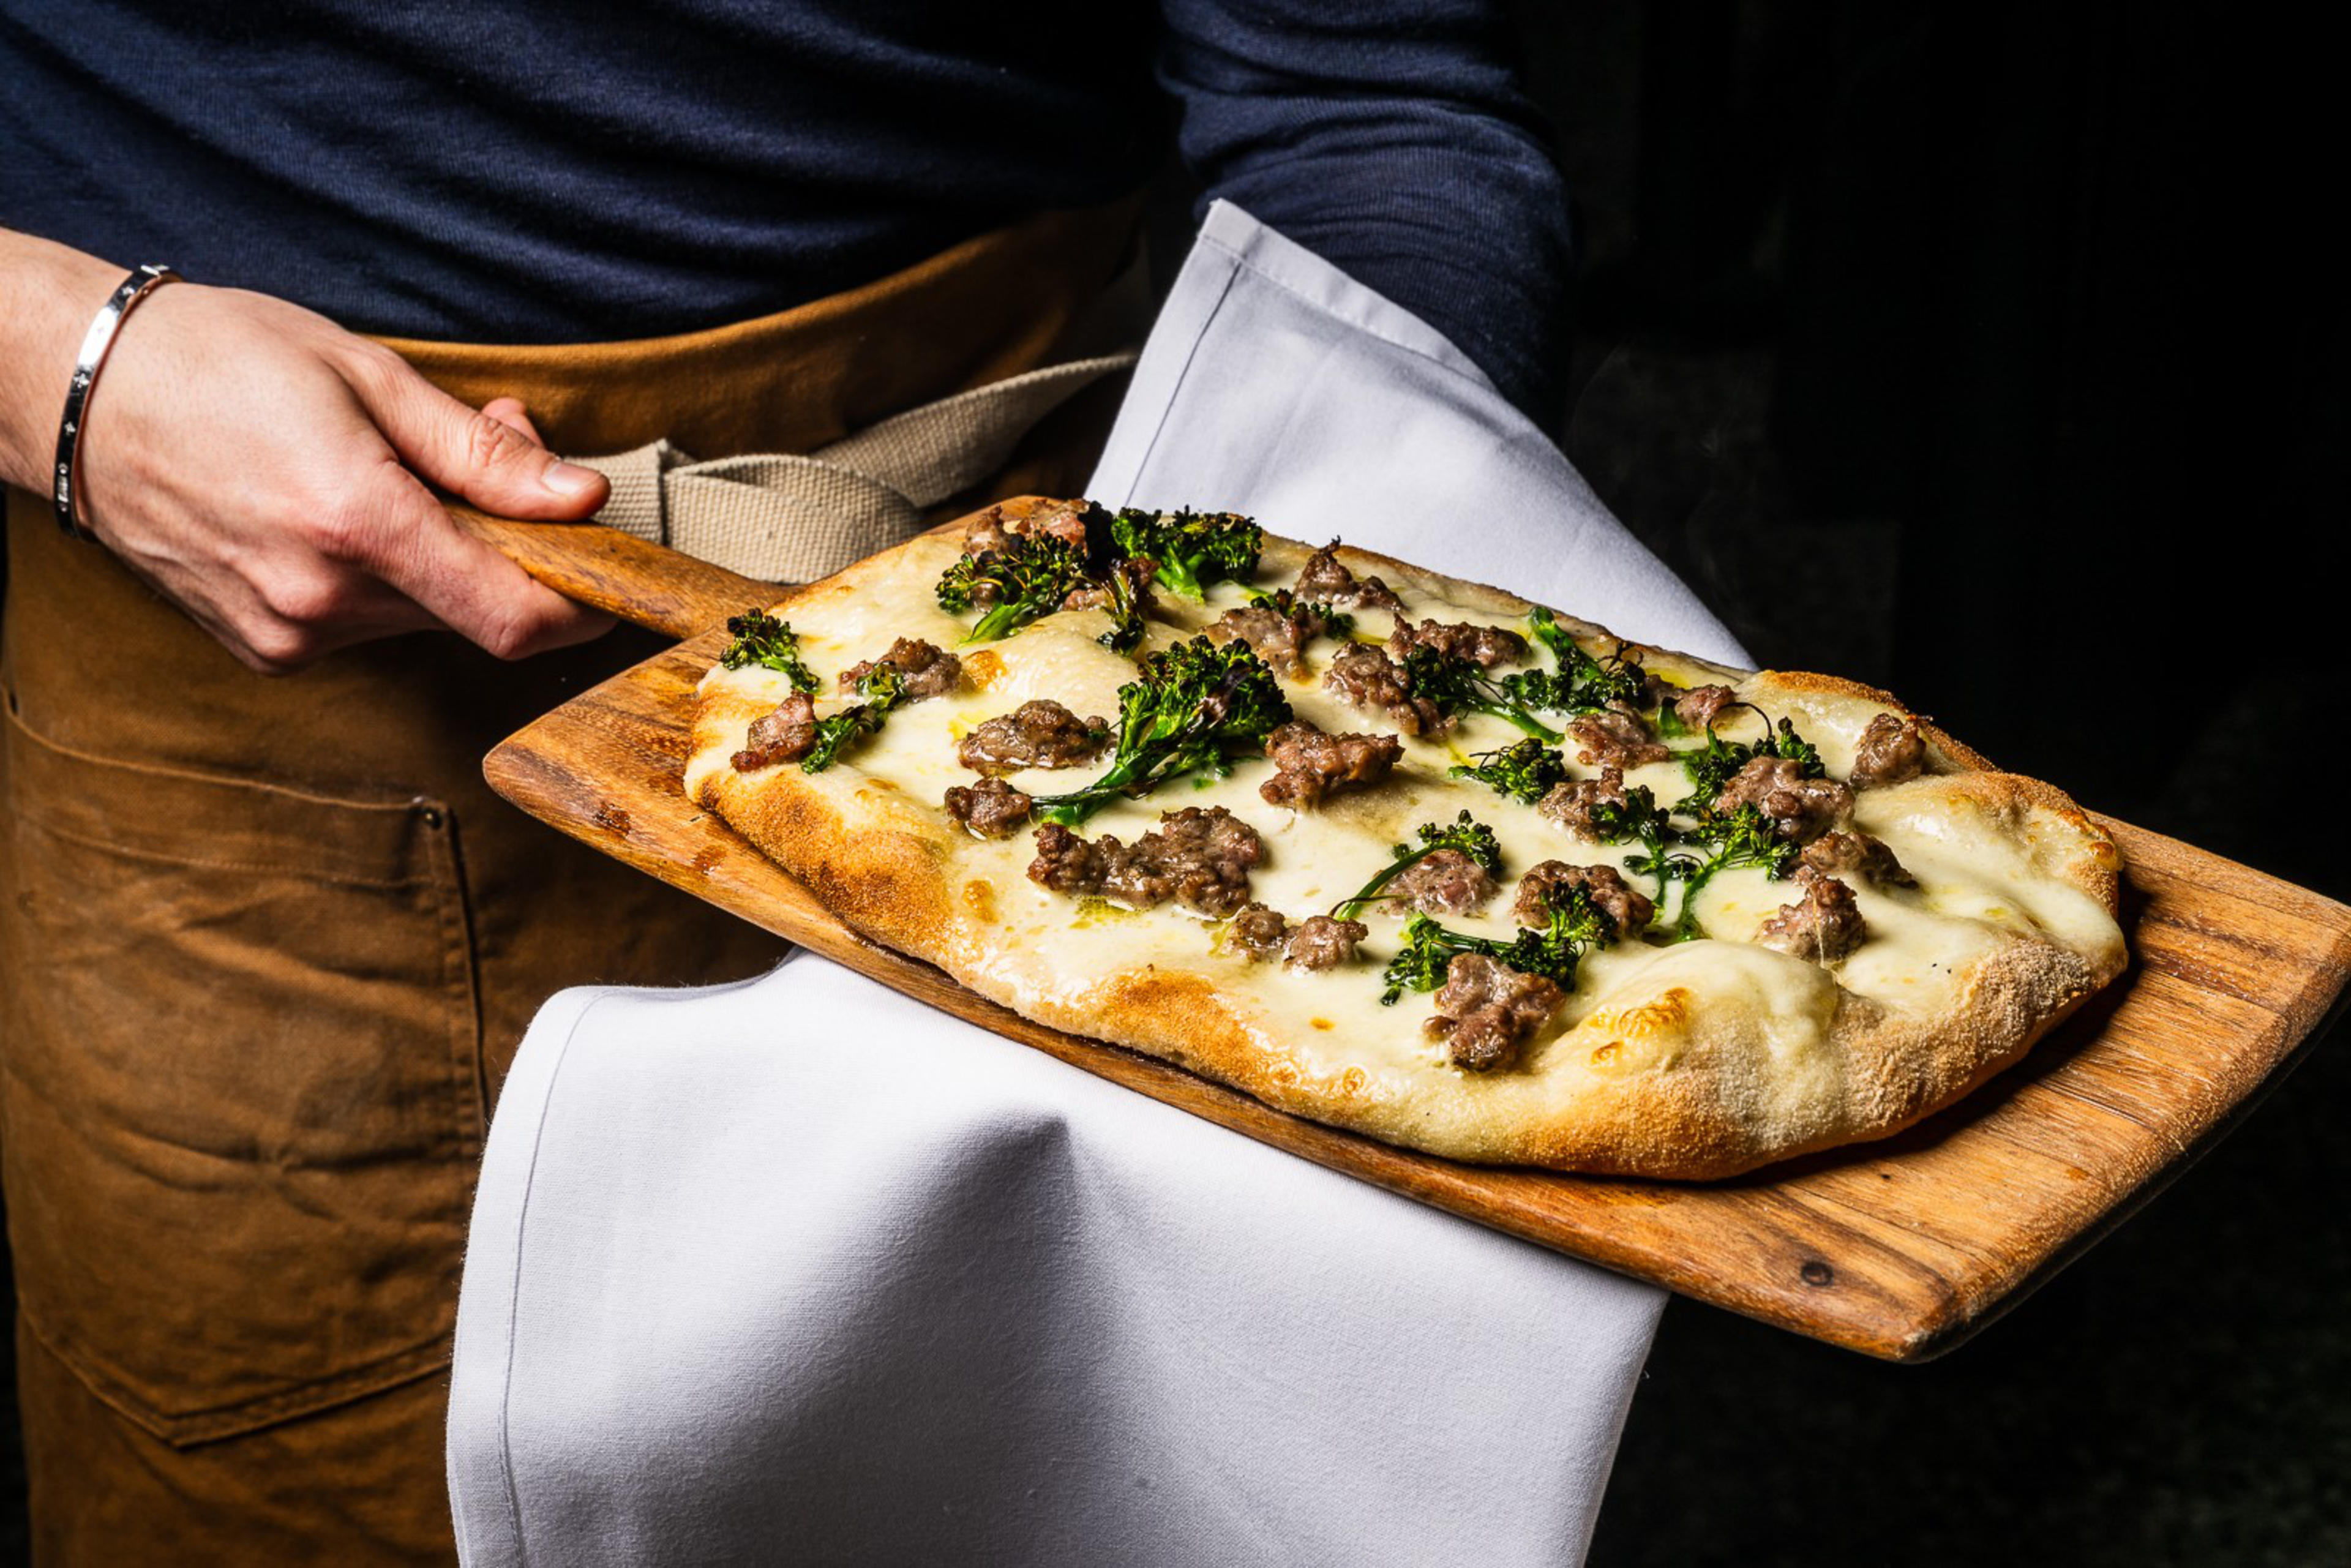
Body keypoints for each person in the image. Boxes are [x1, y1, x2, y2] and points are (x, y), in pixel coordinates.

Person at [0, 1, 1573, 1558]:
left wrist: (1321, 646)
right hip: (277, 676)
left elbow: (1367, 96)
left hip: (1123, 607)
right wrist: (51, 367)